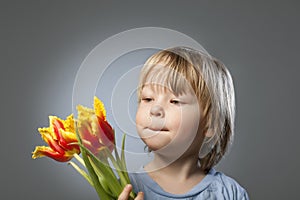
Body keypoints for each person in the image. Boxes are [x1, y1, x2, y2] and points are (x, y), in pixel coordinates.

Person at [118, 46, 249, 200]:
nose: (155, 110)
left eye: (175, 101)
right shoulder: (125, 188)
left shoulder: (229, 193)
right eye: (147, 99)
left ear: (210, 124)